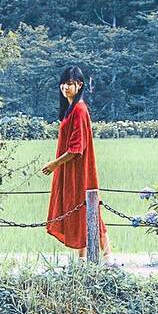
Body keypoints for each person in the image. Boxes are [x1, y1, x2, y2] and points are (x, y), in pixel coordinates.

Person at [42, 66, 109, 259]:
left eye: (70, 84)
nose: (65, 87)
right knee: (82, 211)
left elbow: (76, 148)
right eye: (63, 83)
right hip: (72, 169)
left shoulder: (79, 109)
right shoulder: (71, 109)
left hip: (79, 170)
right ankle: (82, 258)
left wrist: (54, 164)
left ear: (79, 85)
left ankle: (107, 256)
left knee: (88, 210)